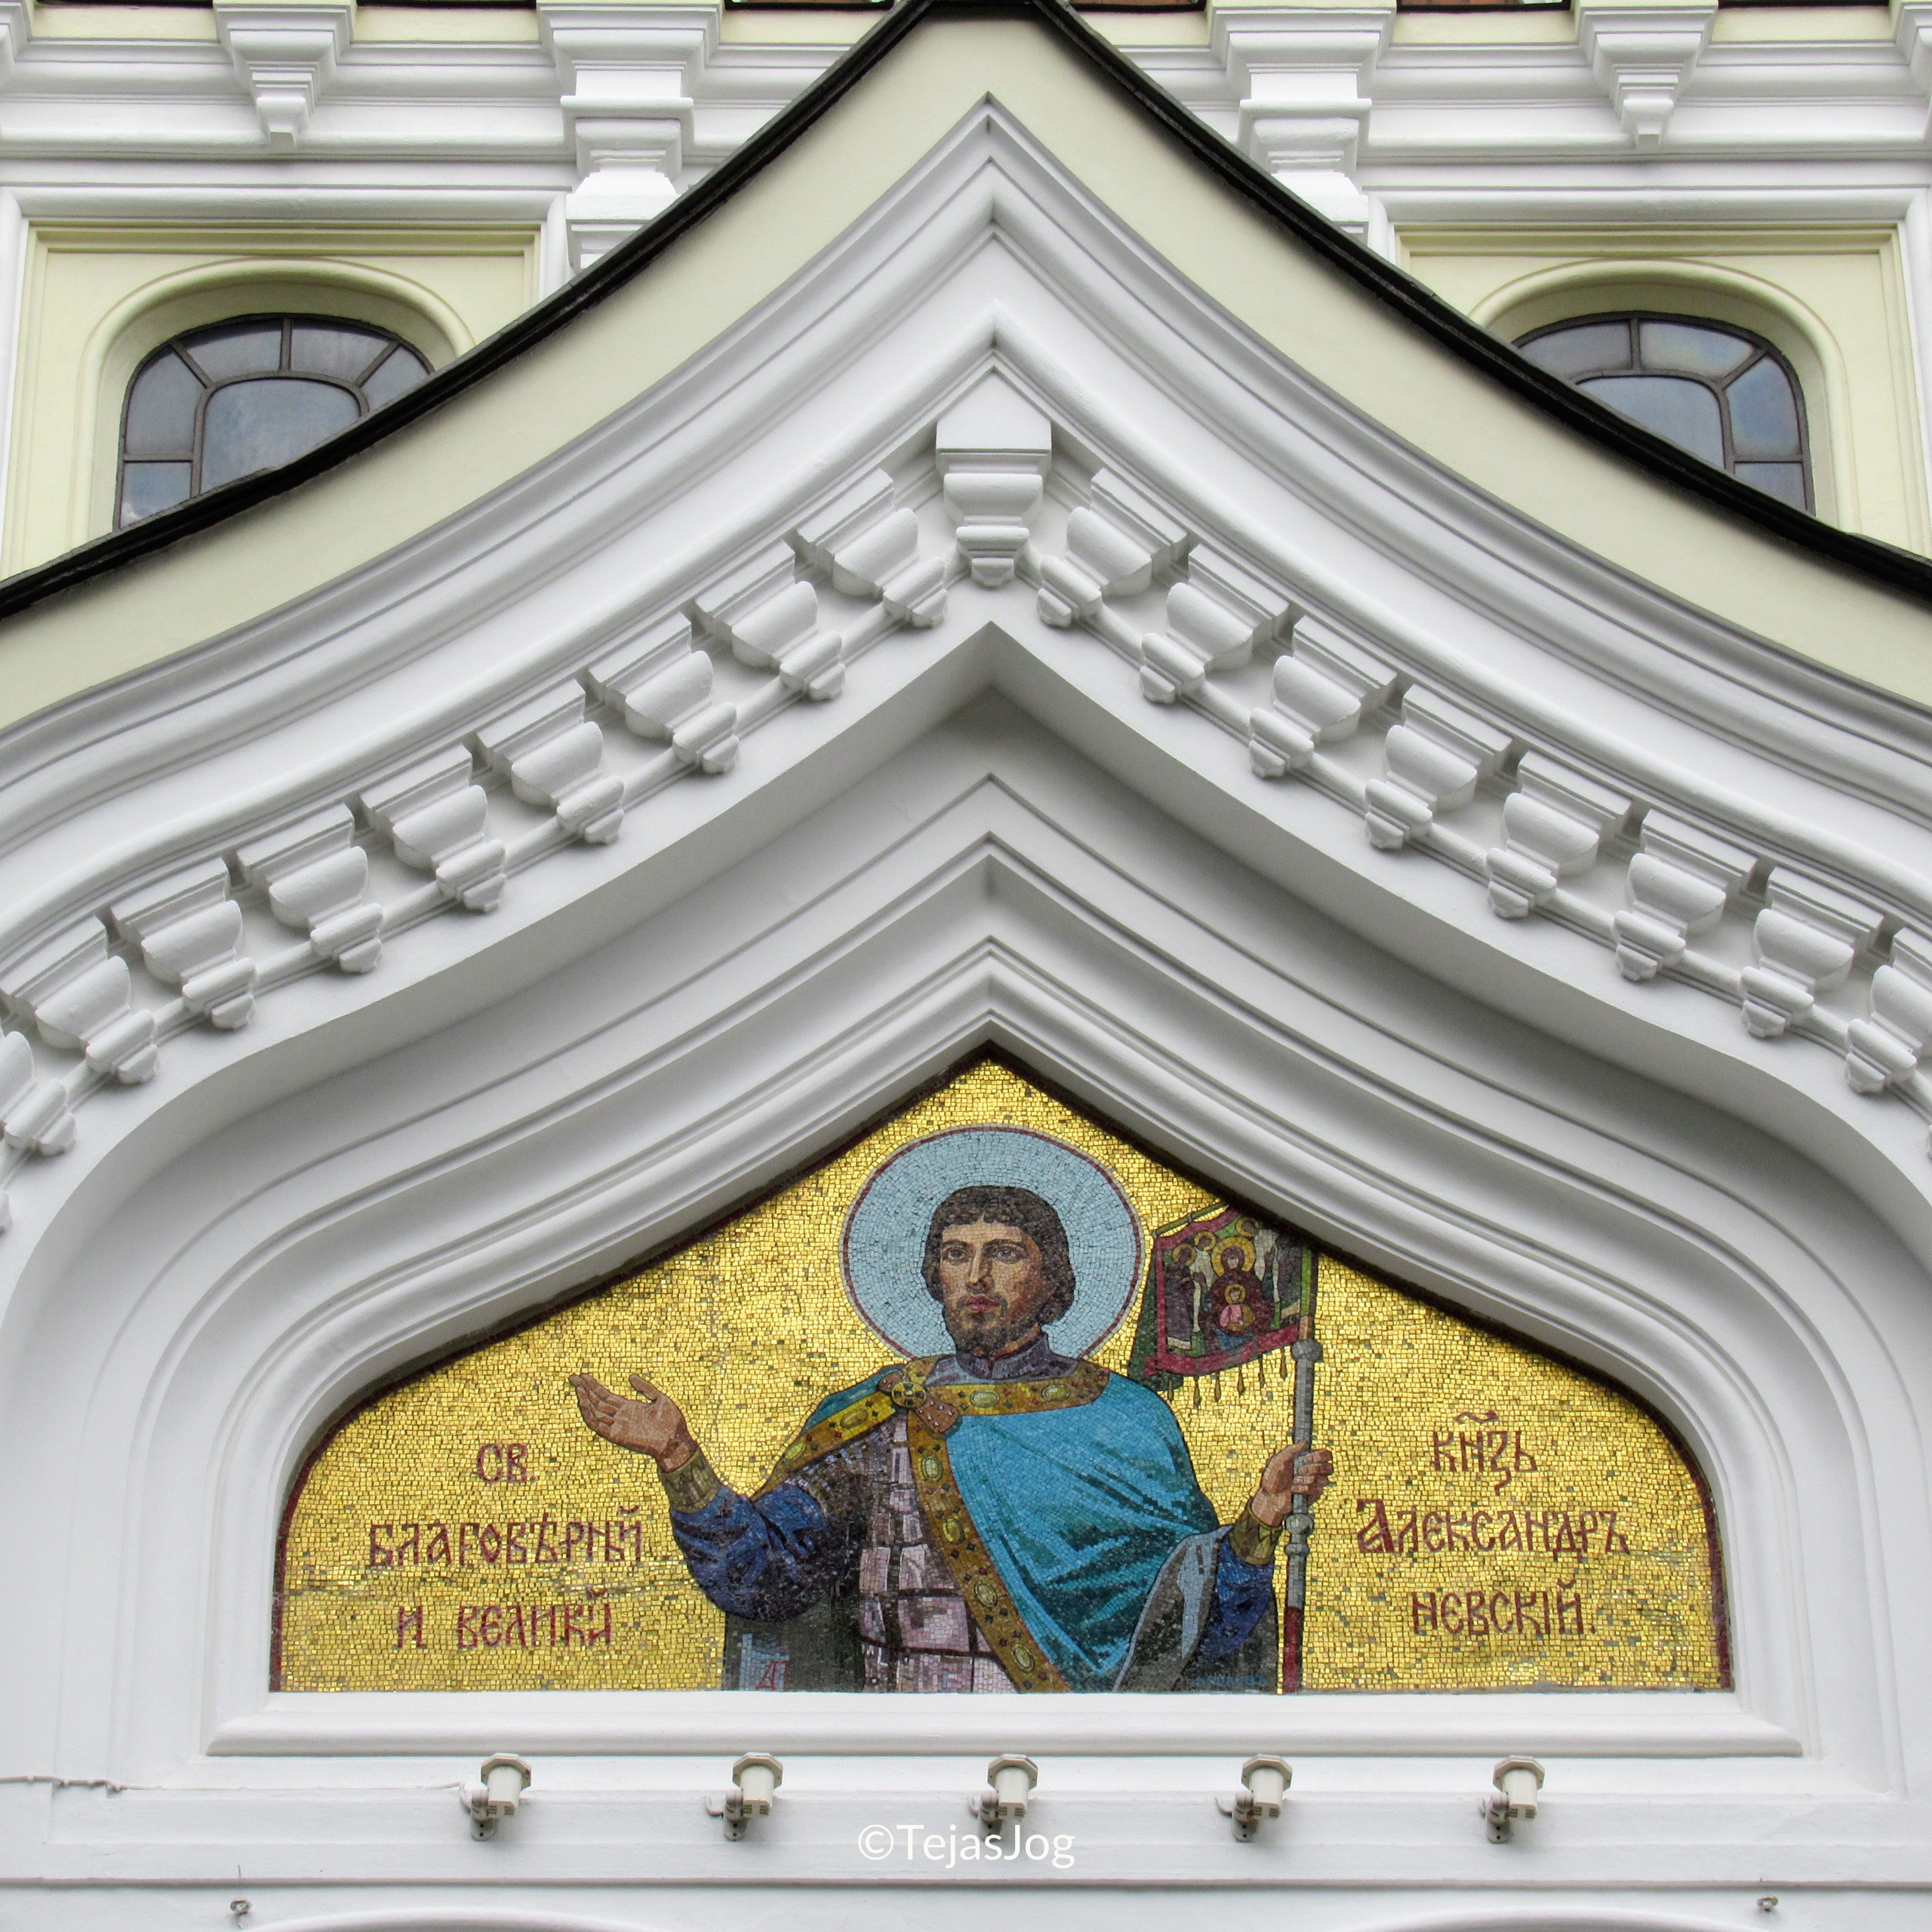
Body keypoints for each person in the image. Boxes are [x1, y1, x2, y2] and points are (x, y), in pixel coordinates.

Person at [570, 1183, 1331, 1692]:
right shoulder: (878, 1415)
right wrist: (680, 1458)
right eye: (956, 1253)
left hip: (1071, 1751)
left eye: (1006, 1253)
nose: (977, 1276)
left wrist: (1261, 1521)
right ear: (934, 1275)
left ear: (1052, 1279)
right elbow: (765, 1578)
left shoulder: (1126, 1420)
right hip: (897, 1754)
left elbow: (1193, 1622)